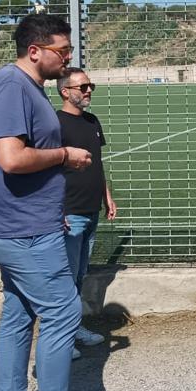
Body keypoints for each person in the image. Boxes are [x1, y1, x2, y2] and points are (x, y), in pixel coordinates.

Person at [0, 13, 111, 391]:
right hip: (23, 228)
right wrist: (65, 155)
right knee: (62, 314)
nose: (67, 58)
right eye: (62, 52)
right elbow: (11, 159)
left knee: (18, 313)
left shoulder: (23, 87)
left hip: (24, 223)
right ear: (36, 51)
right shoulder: (13, 86)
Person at [56, 67, 118, 357]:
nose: (89, 90)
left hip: (91, 209)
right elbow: (47, 172)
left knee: (79, 274)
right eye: (82, 87)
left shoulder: (92, 121)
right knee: (64, 277)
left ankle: (74, 328)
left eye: (90, 85)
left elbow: (97, 163)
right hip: (69, 213)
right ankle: (60, 339)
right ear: (65, 91)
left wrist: (107, 196)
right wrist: (57, 210)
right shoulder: (55, 124)